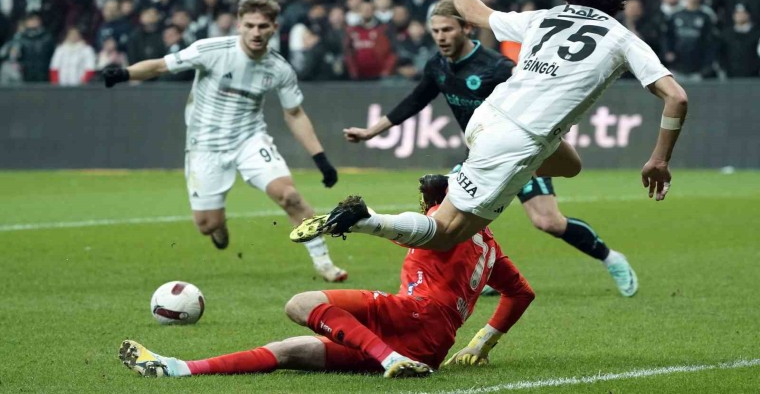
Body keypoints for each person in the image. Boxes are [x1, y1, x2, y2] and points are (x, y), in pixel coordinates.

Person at [290, 0, 688, 285]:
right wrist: (659, 159)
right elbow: (677, 97)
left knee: (570, 165)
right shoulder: (623, 39)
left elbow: (477, 14)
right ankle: (366, 219)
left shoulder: (544, 18)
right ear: (614, 2)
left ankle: (462, 179)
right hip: (517, 140)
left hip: (486, 118)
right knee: (446, 233)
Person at [343, 0, 639, 297]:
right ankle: (473, 276)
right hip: (481, 155)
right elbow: (415, 101)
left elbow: (541, 98)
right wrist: (370, 132)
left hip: (523, 151)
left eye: (447, 29)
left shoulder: (497, 66)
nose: (441, 37)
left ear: (466, 28)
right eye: (436, 31)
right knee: (448, 215)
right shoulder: (438, 65)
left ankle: (611, 258)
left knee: (548, 221)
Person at [119, 174, 535, 378]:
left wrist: (366, 220)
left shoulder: (440, 222)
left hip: (415, 315)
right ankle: (179, 368)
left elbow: (416, 228)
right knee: (289, 351)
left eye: (432, 198)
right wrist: (481, 343)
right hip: (430, 348)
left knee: (300, 304)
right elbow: (521, 293)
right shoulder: (491, 248)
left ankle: (389, 359)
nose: (427, 202)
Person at [102, 0, 347, 282]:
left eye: (263, 26)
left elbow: (295, 114)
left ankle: (324, 263)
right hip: (205, 145)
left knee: (290, 196)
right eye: (250, 25)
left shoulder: (279, 68)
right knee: (207, 224)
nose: (256, 32)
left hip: (249, 140)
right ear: (239, 25)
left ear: (274, 27)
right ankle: (218, 225)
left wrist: (320, 158)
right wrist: (124, 73)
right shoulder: (211, 50)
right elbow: (159, 66)